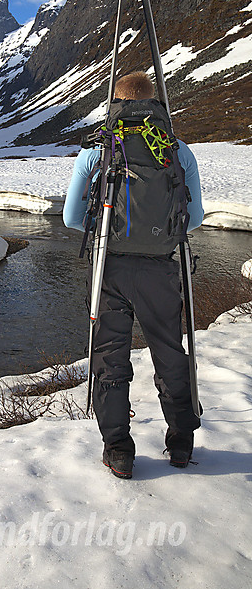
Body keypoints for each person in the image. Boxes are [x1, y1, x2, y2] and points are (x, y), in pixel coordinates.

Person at [63, 71, 204, 479]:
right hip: (161, 269)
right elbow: (192, 220)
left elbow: (72, 218)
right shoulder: (177, 150)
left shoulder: (98, 150)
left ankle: (119, 449)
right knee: (169, 352)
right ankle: (180, 442)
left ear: (117, 104)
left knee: (111, 357)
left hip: (111, 268)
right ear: (154, 103)